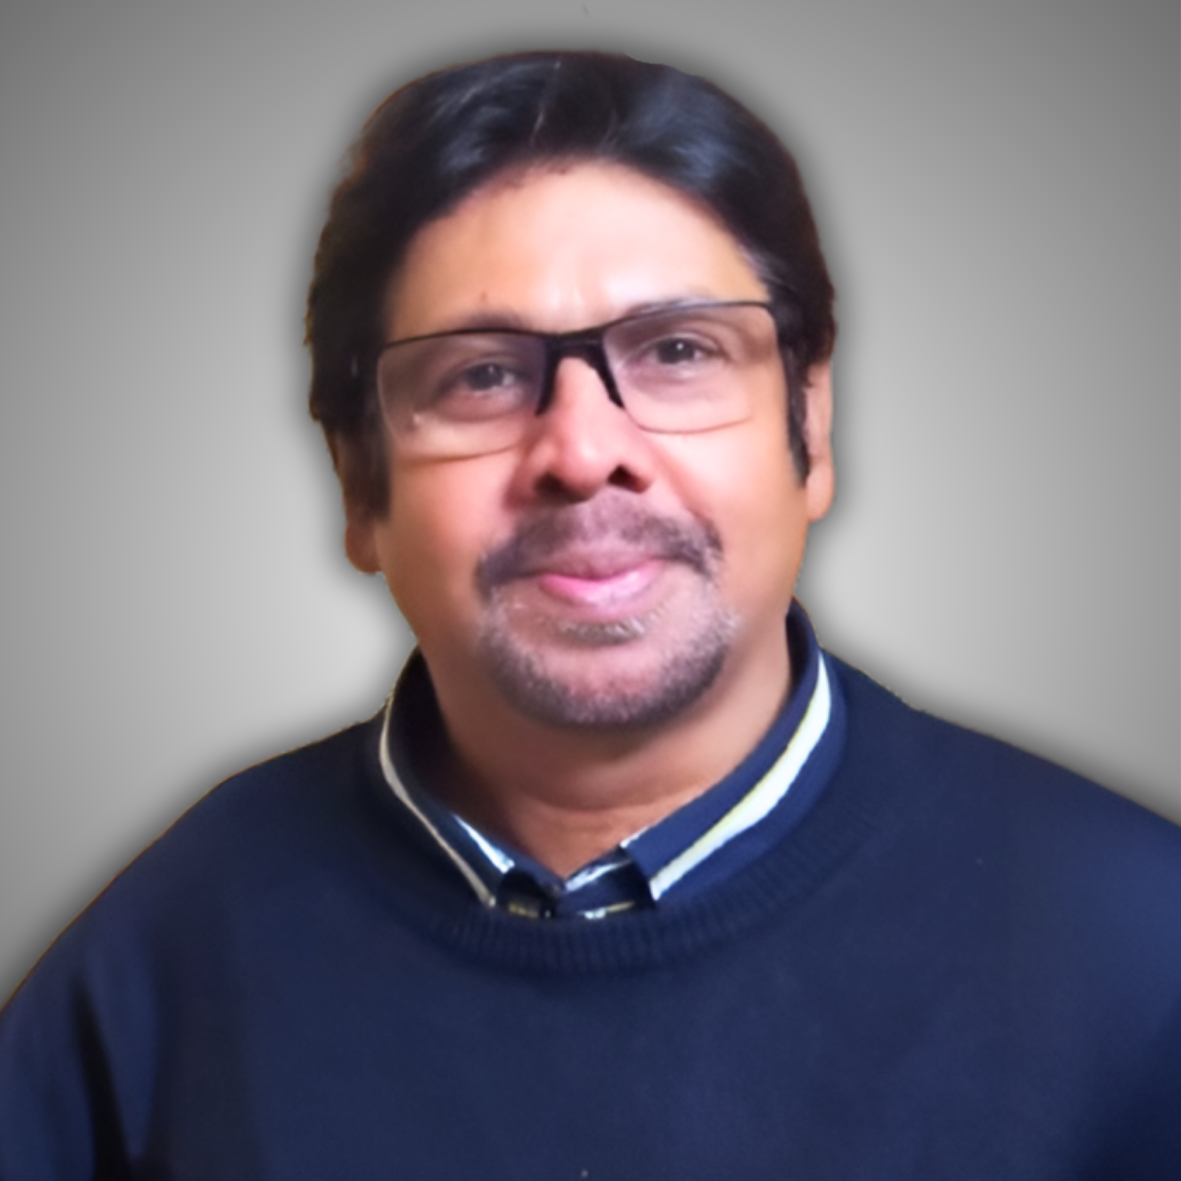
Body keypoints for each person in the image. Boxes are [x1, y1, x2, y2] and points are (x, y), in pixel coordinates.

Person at [1, 49, 1178, 1179]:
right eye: (482, 374)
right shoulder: (164, 949)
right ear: (359, 486)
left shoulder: (1137, 947)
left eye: (677, 350)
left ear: (810, 430)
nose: (581, 450)